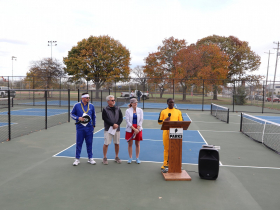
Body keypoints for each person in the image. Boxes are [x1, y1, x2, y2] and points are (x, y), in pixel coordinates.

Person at [70, 93, 96, 166]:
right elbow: (71, 114)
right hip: (80, 128)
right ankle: (77, 159)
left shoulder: (91, 106)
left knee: (89, 143)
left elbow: (94, 115)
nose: (88, 99)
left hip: (89, 128)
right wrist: (78, 118)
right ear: (83, 98)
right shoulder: (77, 105)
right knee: (79, 143)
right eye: (87, 98)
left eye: (89, 97)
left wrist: (94, 124)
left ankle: (90, 158)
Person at [158, 98, 183, 171]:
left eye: (173, 102)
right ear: (167, 103)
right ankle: (165, 164)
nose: (171, 104)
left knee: (176, 148)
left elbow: (181, 121)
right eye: (170, 102)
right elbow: (159, 121)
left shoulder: (178, 111)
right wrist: (164, 121)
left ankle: (175, 163)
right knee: (166, 148)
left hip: (176, 132)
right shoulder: (163, 111)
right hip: (166, 131)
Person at [102, 95, 123, 165]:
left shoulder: (118, 108)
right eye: (112, 100)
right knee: (106, 143)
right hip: (108, 129)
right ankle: (104, 158)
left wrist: (117, 124)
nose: (114, 101)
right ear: (108, 101)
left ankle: (116, 157)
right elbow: (105, 118)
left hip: (117, 129)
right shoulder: (105, 109)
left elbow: (121, 118)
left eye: (114, 100)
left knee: (117, 143)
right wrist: (112, 124)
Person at [125, 98, 143, 164]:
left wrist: (138, 128)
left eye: (136, 102)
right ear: (131, 103)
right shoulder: (127, 111)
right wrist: (134, 129)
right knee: (130, 144)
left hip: (138, 129)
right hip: (130, 129)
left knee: (137, 144)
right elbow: (127, 121)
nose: (136, 104)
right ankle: (130, 158)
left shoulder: (140, 110)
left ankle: (137, 158)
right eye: (134, 103)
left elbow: (141, 120)